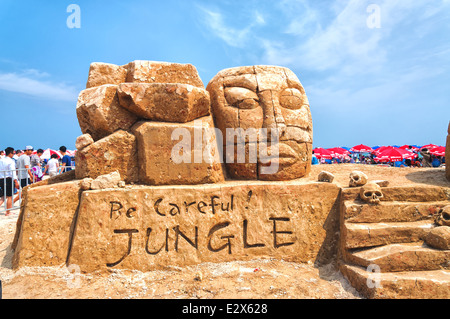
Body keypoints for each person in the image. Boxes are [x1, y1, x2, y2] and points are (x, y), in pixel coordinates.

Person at [0, 147, 20, 216]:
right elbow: (13, 172)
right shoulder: (11, 161)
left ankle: (8, 211)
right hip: (8, 179)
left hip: (1, 179)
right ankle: (8, 212)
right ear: (11, 153)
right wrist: (16, 181)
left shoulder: (1, 160)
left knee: (3, 196)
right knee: (9, 196)